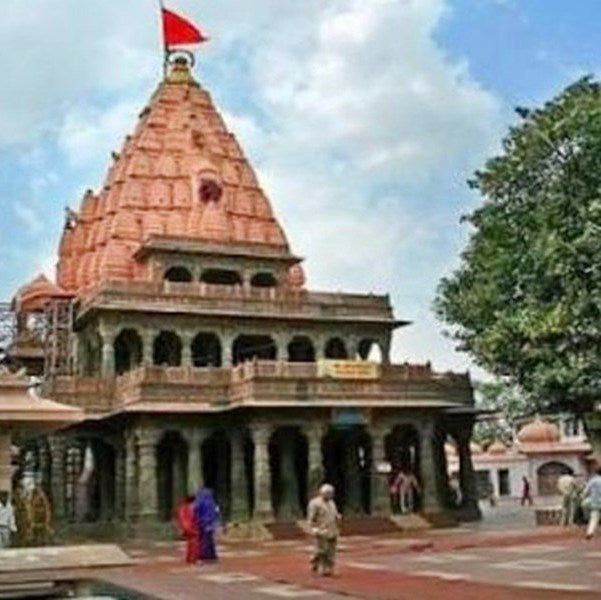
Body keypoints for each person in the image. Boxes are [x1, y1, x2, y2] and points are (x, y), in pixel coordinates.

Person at [307, 484, 341, 576]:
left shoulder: (331, 502)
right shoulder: (315, 503)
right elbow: (311, 518)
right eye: (329, 493)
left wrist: (337, 517)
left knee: (331, 550)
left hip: (332, 529)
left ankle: (329, 568)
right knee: (322, 550)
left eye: (332, 493)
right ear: (323, 493)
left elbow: (335, 513)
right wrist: (314, 529)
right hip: (321, 530)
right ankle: (318, 564)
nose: (331, 495)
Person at [194, 487, 220, 561]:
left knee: (204, 540)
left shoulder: (200, 501)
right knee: (210, 539)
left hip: (203, 523)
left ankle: (205, 555)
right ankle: (212, 555)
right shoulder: (212, 502)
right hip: (210, 523)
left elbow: (196, 510)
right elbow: (216, 512)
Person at [177, 494, 200, 564]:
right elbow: (193, 517)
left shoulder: (182, 507)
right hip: (190, 527)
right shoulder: (191, 507)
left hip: (186, 527)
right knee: (194, 543)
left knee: (190, 543)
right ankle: (193, 558)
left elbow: (181, 518)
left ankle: (189, 557)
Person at [582, 467, 601, 540]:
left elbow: (586, 491)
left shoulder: (592, 480)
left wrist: (584, 497)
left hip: (594, 502)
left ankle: (590, 532)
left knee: (594, 518)